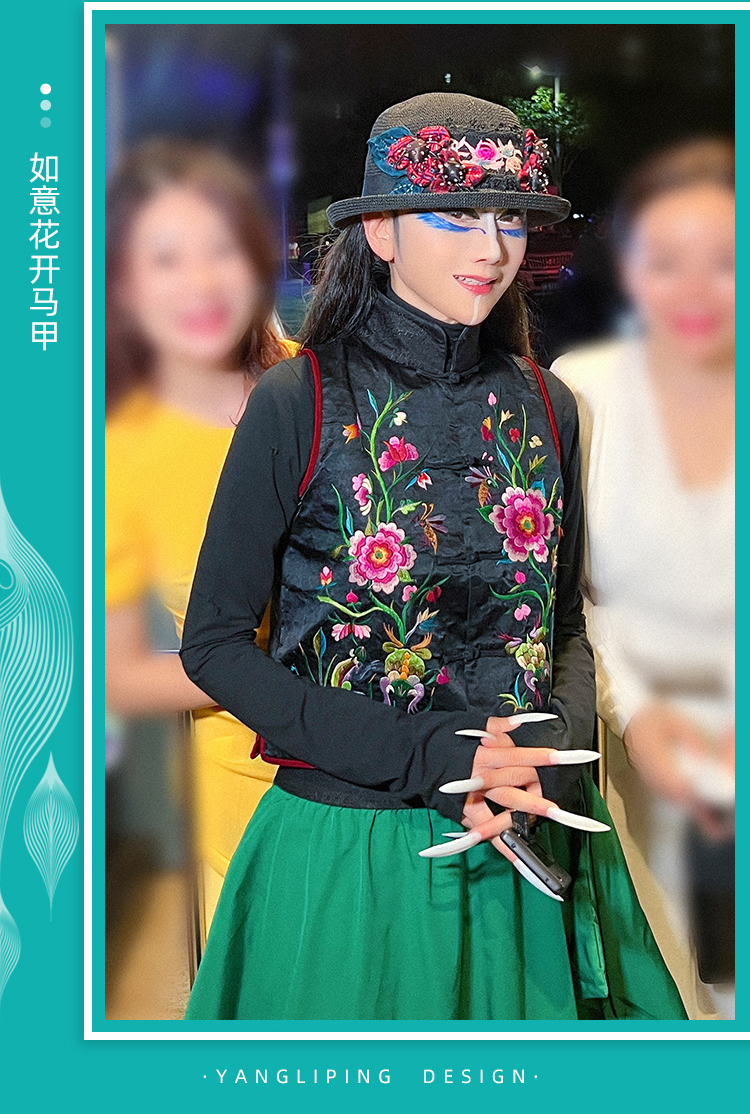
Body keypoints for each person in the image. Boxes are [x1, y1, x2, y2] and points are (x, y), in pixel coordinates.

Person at [179, 93, 686, 1021]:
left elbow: (562, 621)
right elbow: (213, 645)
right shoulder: (297, 401)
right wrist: (423, 752)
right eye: (456, 213)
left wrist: (547, 750)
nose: (491, 248)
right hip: (355, 850)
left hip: (531, 837)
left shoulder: (547, 403)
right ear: (379, 233)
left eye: (510, 218)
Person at [553, 139, 734, 1019]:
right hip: (645, 747)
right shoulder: (582, 391)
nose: (695, 289)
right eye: (666, 261)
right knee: (672, 992)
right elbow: (570, 594)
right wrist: (636, 710)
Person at [105, 139, 291, 932]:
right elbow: (121, 676)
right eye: (165, 259)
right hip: (249, 795)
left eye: (221, 249)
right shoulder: (118, 450)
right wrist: (283, 686)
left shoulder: (327, 383)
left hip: (402, 771)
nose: (201, 283)